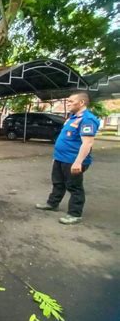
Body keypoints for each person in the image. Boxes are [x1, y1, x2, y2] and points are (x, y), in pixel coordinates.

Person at [35, 92, 100, 224]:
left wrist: (78, 162)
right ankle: (52, 204)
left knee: (74, 187)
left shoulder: (87, 119)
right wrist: (56, 157)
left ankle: (75, 214)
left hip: (73, 160)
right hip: (61, 158)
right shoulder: (72, 117)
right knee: (58, 183)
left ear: (81, 103)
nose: (68, 103)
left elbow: (87, 143)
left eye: (71, 101)